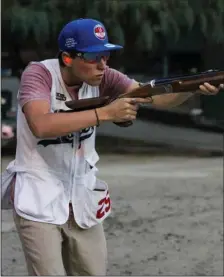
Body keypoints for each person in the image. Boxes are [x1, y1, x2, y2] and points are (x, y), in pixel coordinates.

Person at [1, 18, 223, 276]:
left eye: (105, 55)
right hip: (37, 196)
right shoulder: (38, 74)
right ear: (68, 58)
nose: (103, 64)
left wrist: (193, 88)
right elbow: (40, 124)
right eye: (94, 57)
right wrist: (105, 113)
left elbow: (157, 97)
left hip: (82, 196)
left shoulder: (105, 77)